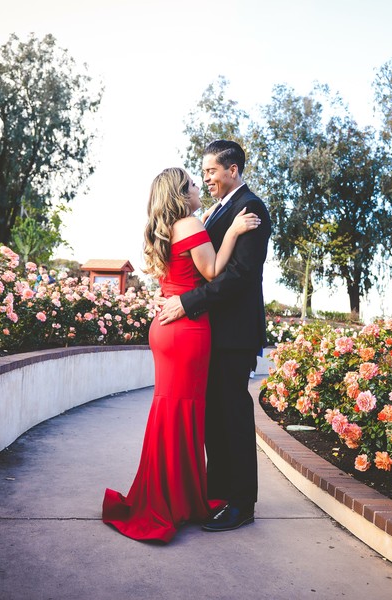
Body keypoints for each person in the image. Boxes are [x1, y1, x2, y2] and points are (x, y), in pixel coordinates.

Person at [102, 167, 261, 543]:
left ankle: (171, 496)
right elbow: (213, 270)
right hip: (188, 328)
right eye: (192, 183)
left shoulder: (168, 227)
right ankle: (173, 501)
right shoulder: (189, 223)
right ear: (180, 193)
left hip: (165, 328)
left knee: (170, 411)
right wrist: (235, 232)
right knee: (183, 414)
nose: (198, 187)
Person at [158, 140, 272, 532]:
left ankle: (242, 504)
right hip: (211, 334)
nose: (205, 178)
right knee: (214, 420)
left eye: (211, 171)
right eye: (202, 172)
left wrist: (188, 302)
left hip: (234, 334)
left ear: (233, 170)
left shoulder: (251, 208)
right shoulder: (216, 211)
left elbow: (239, 276)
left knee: (233, 417)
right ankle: (219, 495)